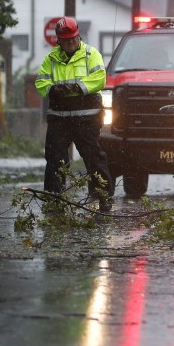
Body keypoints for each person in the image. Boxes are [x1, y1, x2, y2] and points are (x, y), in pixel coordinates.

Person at [35, 16, 113, 212]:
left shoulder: (90, 54)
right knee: (55, 159)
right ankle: (54, 198)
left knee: (93, 158)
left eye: (74, 39)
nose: (71, 43)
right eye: (66, 40)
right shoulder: (50, 59)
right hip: (60, 119)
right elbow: (41, 83)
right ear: (58, 41)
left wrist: (78, 87)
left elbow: (100, 79)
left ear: (78, 36)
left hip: (86, 118)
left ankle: (103, 196)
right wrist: (53, 90)